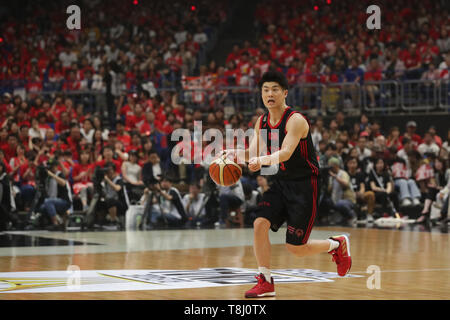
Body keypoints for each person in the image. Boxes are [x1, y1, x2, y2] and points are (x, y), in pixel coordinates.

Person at [222, 71, 351, 298]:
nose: (269, 94)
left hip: (304, 186)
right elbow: (252, 152)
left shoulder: (296, 120)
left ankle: (336, 244)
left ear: (284, 93)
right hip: (281, 183)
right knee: (259, 223)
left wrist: (261, 160)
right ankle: (266, 281)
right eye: (265, 90)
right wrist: (232, 154)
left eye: (274, 89)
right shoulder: (262, 121)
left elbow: (286, 152)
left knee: (296, 248)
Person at [327, 157, 357, 225]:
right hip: (335, 198)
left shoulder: (343, 173)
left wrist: (335, 177)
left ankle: (352, 216)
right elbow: (329, 190)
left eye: (331, 166)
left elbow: (345, 184)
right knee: (326, 201)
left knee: (340, 203)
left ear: (336, 165)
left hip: (348, 199)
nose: (330, 168)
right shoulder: (331, 176)